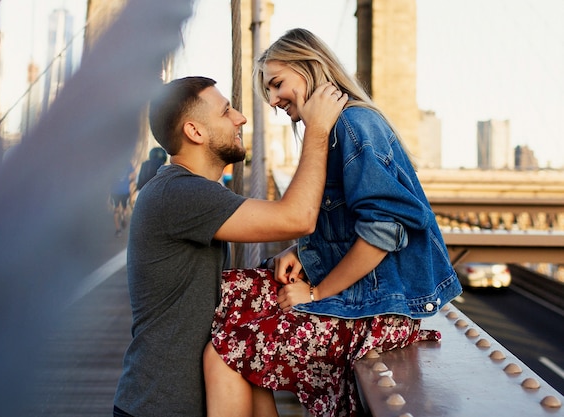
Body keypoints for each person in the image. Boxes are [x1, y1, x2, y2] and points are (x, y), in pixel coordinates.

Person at [203, 28, 463, 417]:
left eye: (277, 84)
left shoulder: (354, 126)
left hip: (377, 312)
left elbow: (382, 233)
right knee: (230, 296)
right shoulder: (333, 129)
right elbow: (345, 222)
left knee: (228, 350)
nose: (273, 101)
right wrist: (302, 253)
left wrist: (316, 293)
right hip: (364, 302)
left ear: (311, 68)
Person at [112, 76, 347, 417]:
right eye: (226, 112)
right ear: (195, 132)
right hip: (160, 407)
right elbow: (298, 218)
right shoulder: (179, 194)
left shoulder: (186, 191)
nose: (241, 118)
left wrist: (295, 251)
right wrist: (318, 130)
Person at [110, 162, 136, 237]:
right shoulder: (127, 163)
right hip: (125, 191)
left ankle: (118, 230)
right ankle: (123, 218)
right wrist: (129, 182)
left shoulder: (113, 164)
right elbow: (133, 176)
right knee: (125, 207)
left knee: (116, 209)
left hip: (115, 191)